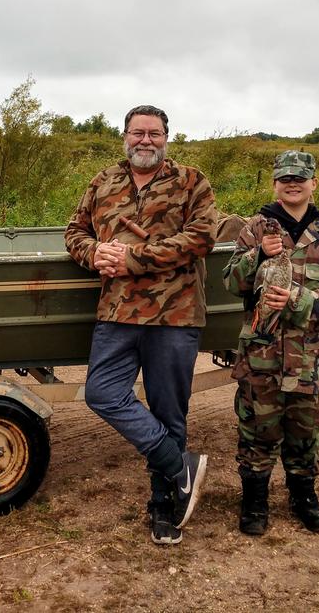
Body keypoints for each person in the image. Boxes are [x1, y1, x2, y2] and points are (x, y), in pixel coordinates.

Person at [64, 105, 218, 545]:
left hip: (175, 315)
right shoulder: (104, 181)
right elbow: (74, 230)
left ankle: (163, 506)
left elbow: (201, 238)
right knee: (102, 393)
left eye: (154, 133)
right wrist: (92, 253)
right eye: (137, 133)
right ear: (125, 136)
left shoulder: (192, 181)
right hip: (117, 312)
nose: (145, 140)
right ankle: (178, 465)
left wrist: (132, 258)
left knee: (170, 410)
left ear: (167, 137)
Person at [222, 150, 319, 536]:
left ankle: (304, 499)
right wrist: (256, 257)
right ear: (275, 184)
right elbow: (231, 282)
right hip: (261, 357)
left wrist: (299, 301)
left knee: (304, 434)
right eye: (285, 178)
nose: (293, 183)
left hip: (308, 359)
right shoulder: (256, 229)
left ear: (314, 183)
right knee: (256, 433)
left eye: (300, 178)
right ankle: (254, 502)